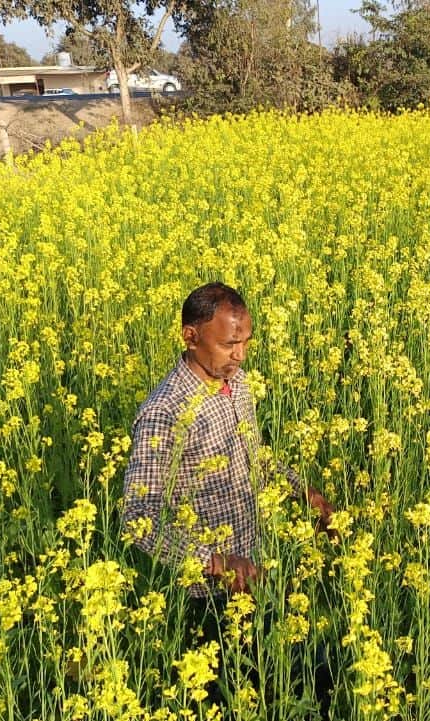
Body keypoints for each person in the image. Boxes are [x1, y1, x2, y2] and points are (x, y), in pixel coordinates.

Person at [121, 282, 336, 706]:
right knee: (232, 698)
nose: (240, 356)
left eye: (246, 342)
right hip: (208, 597)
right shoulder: (164, 411)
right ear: (191, 336)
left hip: (258, 569)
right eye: (228, 345)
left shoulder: (237, 383)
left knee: (305, 679)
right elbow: (138, 517)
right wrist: (215, 562)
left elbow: (255, 455)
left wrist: (304, 493)